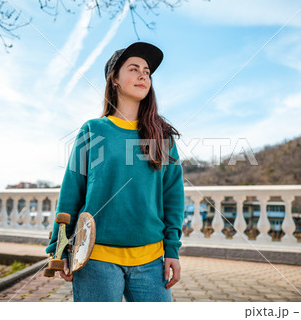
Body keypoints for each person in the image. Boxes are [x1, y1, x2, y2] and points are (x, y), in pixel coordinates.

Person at [46, 42, 185, 302]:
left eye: (147, 71)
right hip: (95, 258)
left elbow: (173, 196)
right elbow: (72, 190)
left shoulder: (162, 136)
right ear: (115, 80)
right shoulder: (93, 130)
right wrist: (60, 247)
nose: (143, 75)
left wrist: (172, 250)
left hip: (152, 262)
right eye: (134, 69)